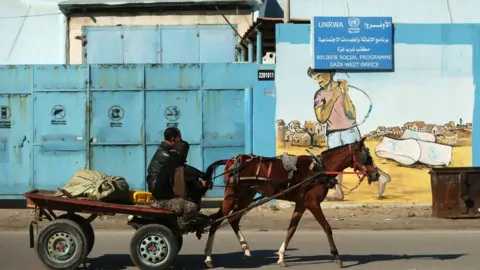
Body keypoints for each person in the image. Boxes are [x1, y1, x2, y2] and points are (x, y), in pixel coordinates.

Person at [308, 67, 390, 200]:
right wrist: (334, 98)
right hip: (333, 133)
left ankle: (381, 178)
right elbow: (321, 118)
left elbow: (351, 114)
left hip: (349, 130)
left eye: (320, 75)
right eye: (316, 78)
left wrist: (344, 93)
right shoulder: (320, 94)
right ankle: (338, 193)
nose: (319, 80)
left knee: (361, 159)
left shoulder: (341, 89)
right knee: (335, 164)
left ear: (330, 73)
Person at [151, 140, 201, 227]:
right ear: (185, 152)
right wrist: (188, 200)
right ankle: (180, 224)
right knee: (192, 207)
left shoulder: (171, 159)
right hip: (164, 202)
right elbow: (180, 192)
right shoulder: (178, 165)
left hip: (159, 199)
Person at [146, 127, 181, 193]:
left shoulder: (167, 150)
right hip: (157, 186)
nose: (180, 140)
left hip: (159, 185)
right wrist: (201, 175)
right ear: (173, 138)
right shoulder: (163, 153)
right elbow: (181, 166)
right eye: (179, 137)